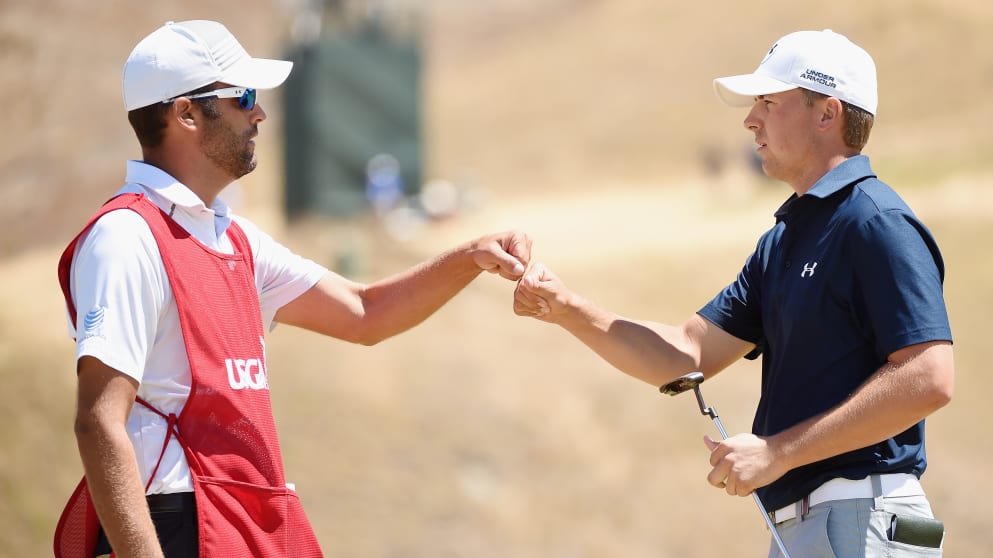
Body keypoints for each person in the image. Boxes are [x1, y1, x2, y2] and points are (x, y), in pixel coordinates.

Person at [54, 20, 532, 558]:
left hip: (243, 517)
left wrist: (468, 259)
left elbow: (363, 312)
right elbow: (98, 421)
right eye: (244, 98)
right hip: (177, 521)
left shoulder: (232, 237)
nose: (259, 113)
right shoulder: (125, 236)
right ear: (185, 113)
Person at [514, 29, 953, 557]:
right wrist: (568, 310)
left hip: (862, 520)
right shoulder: (785, 240)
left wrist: (778, 452)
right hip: (813, 525)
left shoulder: (875, 223)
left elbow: (929, 377)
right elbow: (686, 353)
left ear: (827, 114)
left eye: (769, 103)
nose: (751, 120)